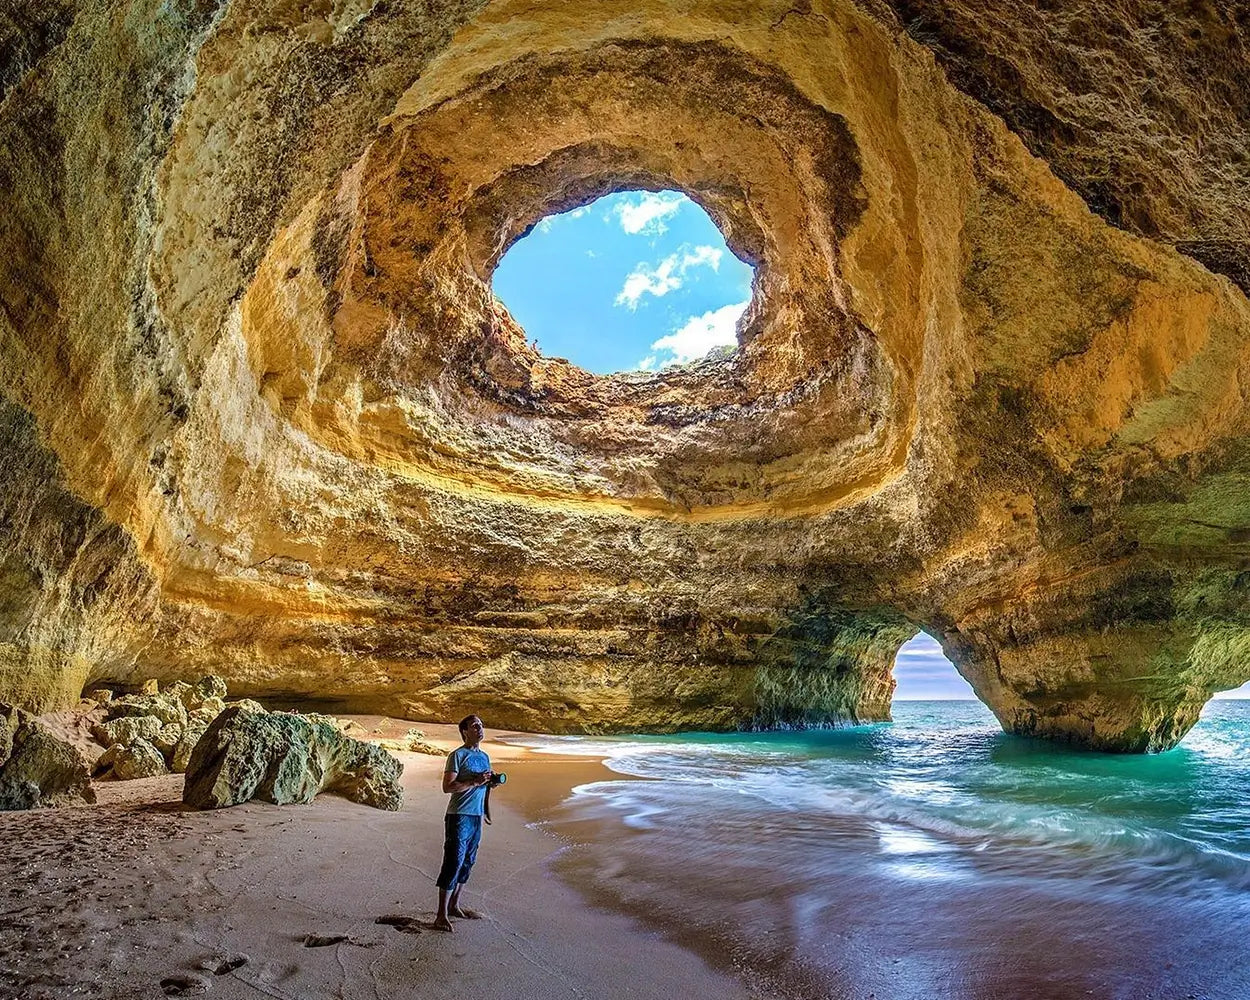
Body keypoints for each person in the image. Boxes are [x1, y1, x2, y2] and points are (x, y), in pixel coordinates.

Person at [434, 714, 495, 932]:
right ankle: (440, 914)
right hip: (458, 815)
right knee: (454, 861)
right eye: (475, 726)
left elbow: (484, 787)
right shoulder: (457, 756)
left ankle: (454, 905)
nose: (480, 728)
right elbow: (448, 787)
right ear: (464, 732)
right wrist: (474, 781)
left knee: (469, 860)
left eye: (481, 725)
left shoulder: (485, 757)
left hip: (476, 816)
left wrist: (487, 803)